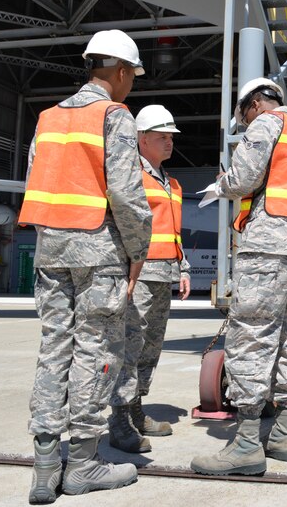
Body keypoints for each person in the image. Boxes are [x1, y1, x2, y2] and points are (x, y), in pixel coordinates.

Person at [18, 29, 153, 504]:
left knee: (54, 348)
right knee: (96, 349)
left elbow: (38, 174)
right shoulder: (114, 115)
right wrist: (140, 248)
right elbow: (126, 192)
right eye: (131, 76)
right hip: (98, 249)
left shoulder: (48, 118)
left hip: (51, 249)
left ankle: (43, 469)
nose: (131, 84)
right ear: (119, 72)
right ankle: (83, 464)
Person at [191, 77, 287, 476]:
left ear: (254, 105)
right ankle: (283, 434)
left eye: (242, 116)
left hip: (268, 244)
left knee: (251, 335)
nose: (245, 123)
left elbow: (244, 179)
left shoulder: (265, 124)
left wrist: (220, 186)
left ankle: (247, 442)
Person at [108, 104, 191, 453]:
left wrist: (183, 267)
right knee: (129, 345)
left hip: (164, 273)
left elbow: (173, 231)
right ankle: (119, 417)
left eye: (171, 136)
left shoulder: (172, 183)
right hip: (138, 275)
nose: (169, 142)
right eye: (162, 136)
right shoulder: (131, 176)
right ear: (142, 139)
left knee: (150, 347)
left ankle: (136, 407)